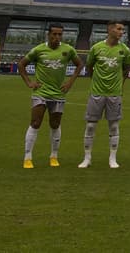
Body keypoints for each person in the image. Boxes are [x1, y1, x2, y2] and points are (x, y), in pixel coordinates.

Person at [21, 24, 82, 169]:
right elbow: (22, 64)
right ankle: (27, 157)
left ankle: (54, 156)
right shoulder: (38, 50)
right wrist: (29, 82)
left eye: (60, 34)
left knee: (55, 124)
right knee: (35, 123)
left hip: (58, 94)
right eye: (54, 34)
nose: (57, 37)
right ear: (48, 35)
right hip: (41, 93)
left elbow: (79, 65)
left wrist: (70, 82)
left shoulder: (68, 50)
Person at [79, 20, 130, 169]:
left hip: (115, 94)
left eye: (123, 29)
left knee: (114, 126)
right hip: (96, 92)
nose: (122, 32)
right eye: (119, 29)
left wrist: (120, 83)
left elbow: (127, 67)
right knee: (90, 126)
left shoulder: (125, 50)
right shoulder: (96, 48)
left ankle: (112, 158)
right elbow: (89, 66)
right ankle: (87, 158)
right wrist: (95, 81)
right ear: (110, 30)